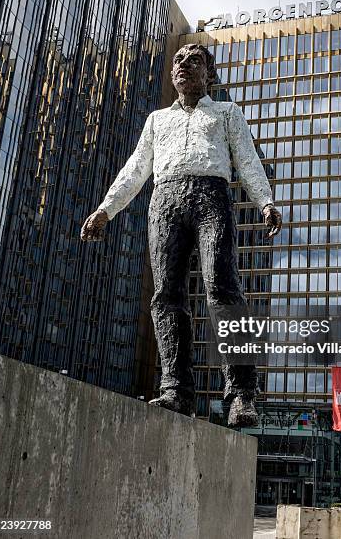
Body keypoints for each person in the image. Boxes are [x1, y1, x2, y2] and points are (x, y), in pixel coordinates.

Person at [80, 43, 282, 427]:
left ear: (209, 72)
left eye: (194, 59)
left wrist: (266, 202)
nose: (183, 65)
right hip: (166, 200)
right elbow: (136, 167)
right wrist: (106, 209)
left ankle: (241, 394)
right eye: (178, 60)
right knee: (166, 294)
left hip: (212, 197)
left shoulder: (226, 113)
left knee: (222, 285)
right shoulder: (157, 120)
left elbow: (248, 160)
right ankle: (176, 391)